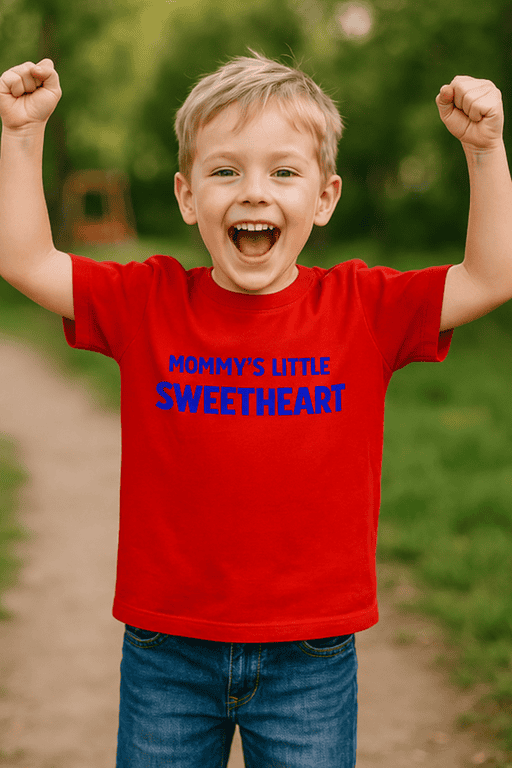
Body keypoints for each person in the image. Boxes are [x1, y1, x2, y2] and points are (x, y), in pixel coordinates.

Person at [0, 51, 510, 768]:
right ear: (186, 196)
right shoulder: (147, 301)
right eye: (225, 170)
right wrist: (21, 138)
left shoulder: (365, 307)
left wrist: (484, 151)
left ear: (325, 198)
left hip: (311, 656)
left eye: (283, 171)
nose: (253, 192)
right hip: (166, 651)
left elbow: (491, 276)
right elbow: (26, 259)